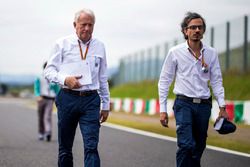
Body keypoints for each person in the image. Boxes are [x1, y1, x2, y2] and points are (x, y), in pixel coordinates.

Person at [158, 12, 229, 167]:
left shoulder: (211, 53)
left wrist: (222, 107)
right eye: (193, 27)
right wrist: (163, 109)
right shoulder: (175, 52)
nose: (197, 30)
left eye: (200, 27)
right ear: (185, 31)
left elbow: (217, 81)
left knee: (199, 145)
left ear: (203, 31)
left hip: (204, 105)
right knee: (186, 144)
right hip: (184, 104)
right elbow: (164, 81)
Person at [44, 8, 110, 167]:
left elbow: (102, 77)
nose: (87, 28)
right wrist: (65, 79)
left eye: (91, 25)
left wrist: (106, 104)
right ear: (75, 25)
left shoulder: (100, 46)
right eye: (83, 24)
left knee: (91, 147)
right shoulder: (61, 44)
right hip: (67, 98)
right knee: (65, 148)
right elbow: (48, 71)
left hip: (91, 100)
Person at [34, 62, 60, 142]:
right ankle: (41, 133)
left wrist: (57, 97)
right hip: (42, 98)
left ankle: (48, 132)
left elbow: (56, 89)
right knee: (41, 116)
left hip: (50, 99)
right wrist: (38, 95)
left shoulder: (53, 78)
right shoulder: (39, 77)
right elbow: (37, 87)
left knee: (47, 116)